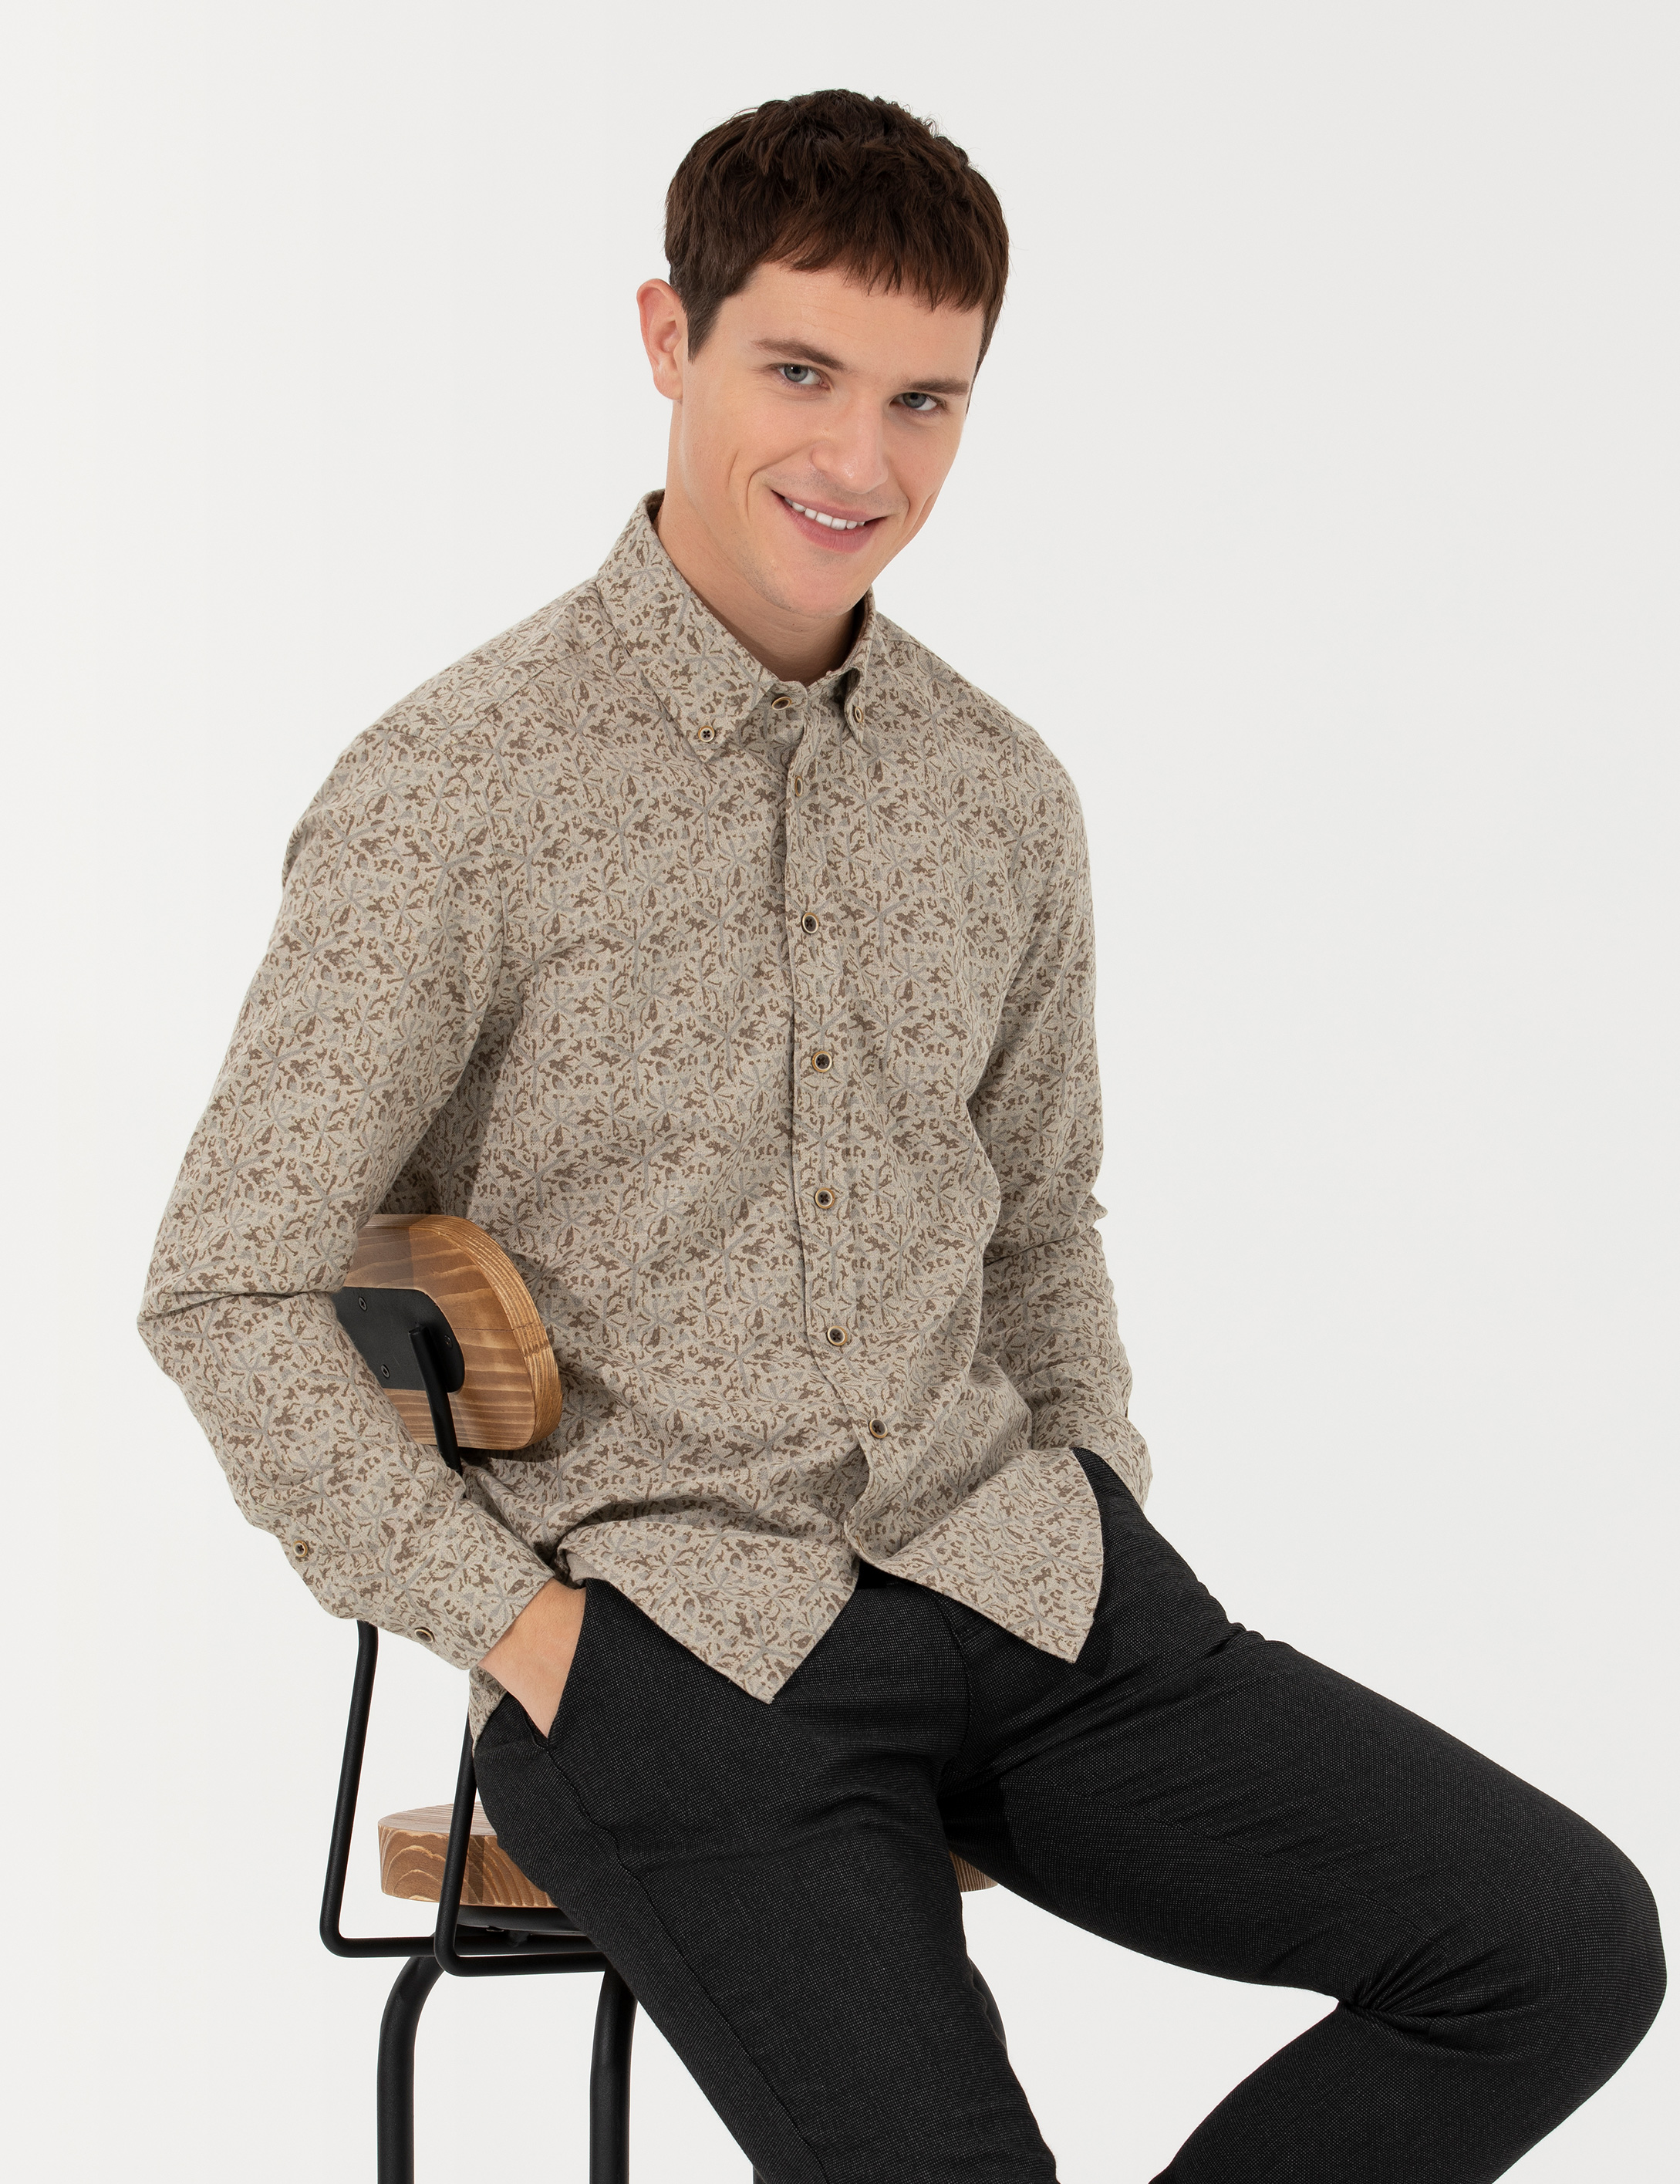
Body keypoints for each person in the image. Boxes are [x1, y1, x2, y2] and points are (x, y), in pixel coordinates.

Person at [140, 88, 1661, 2182]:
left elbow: (1038, 1224)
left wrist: (1094, 1492)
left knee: (1550, 1948)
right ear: (667, 339)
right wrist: (522, 1632)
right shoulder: (457, 789)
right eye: (800, 373)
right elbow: (226, 1284)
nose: (860, 461)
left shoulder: (996, 794)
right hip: (678, 1648)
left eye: (924, 401)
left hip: (1026, 1590)